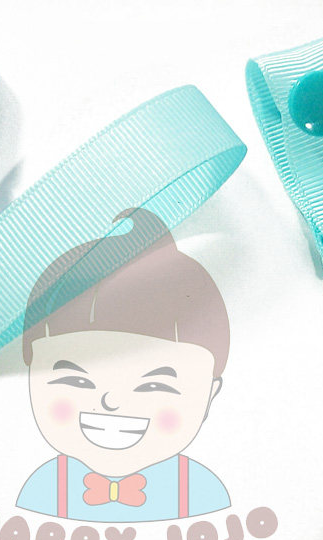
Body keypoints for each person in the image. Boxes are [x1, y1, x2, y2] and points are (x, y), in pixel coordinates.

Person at [16, 207, 231, 522]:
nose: (111, 400)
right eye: (77, 380)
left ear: (209, 395)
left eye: (154, 385)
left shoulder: (202, 492)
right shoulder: (45, 488)